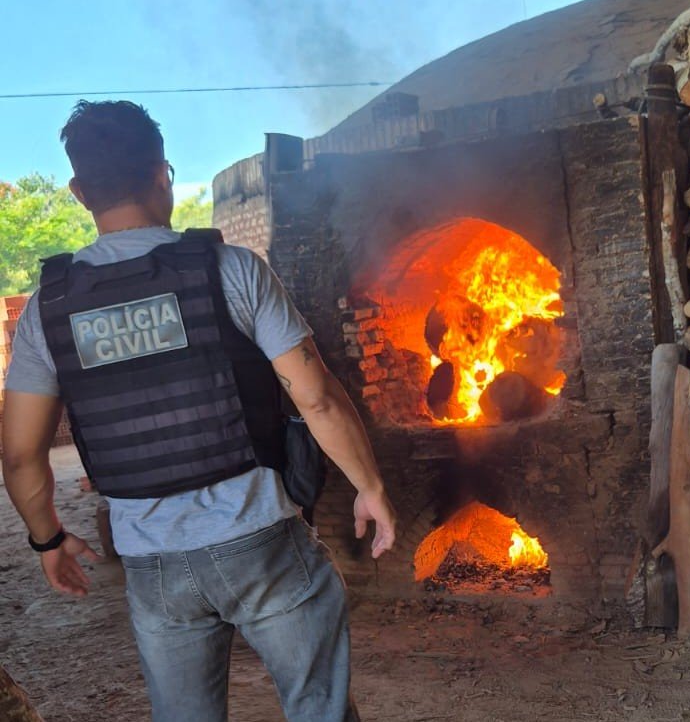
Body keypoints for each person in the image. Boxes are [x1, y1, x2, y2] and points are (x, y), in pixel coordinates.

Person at [1, 100, 397, 722]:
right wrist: (368, 487)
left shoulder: (50, 311)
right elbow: (314, 395)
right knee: (318, 708)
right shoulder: (230, 269)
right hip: (260, 540)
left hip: (152, 562)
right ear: (164, 175)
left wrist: (47, 537)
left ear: (79, 192)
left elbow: (22, 455)